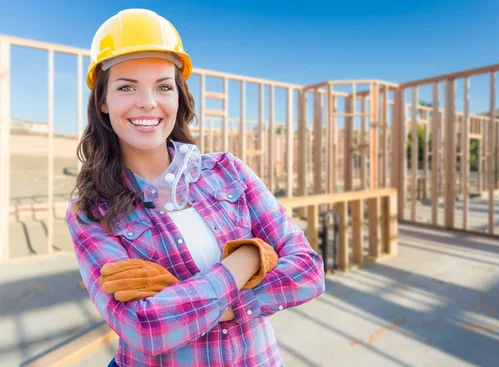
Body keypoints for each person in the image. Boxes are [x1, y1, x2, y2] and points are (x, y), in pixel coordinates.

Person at [66, 8, 325, 367]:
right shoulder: (92, 209)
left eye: (163, 86)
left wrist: (198, 305)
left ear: (178, 96)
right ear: (104, 101)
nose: (147, 102)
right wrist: (247, 259)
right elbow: (146, 328)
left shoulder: (228, 172)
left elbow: (308, 271)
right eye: (127, 86)